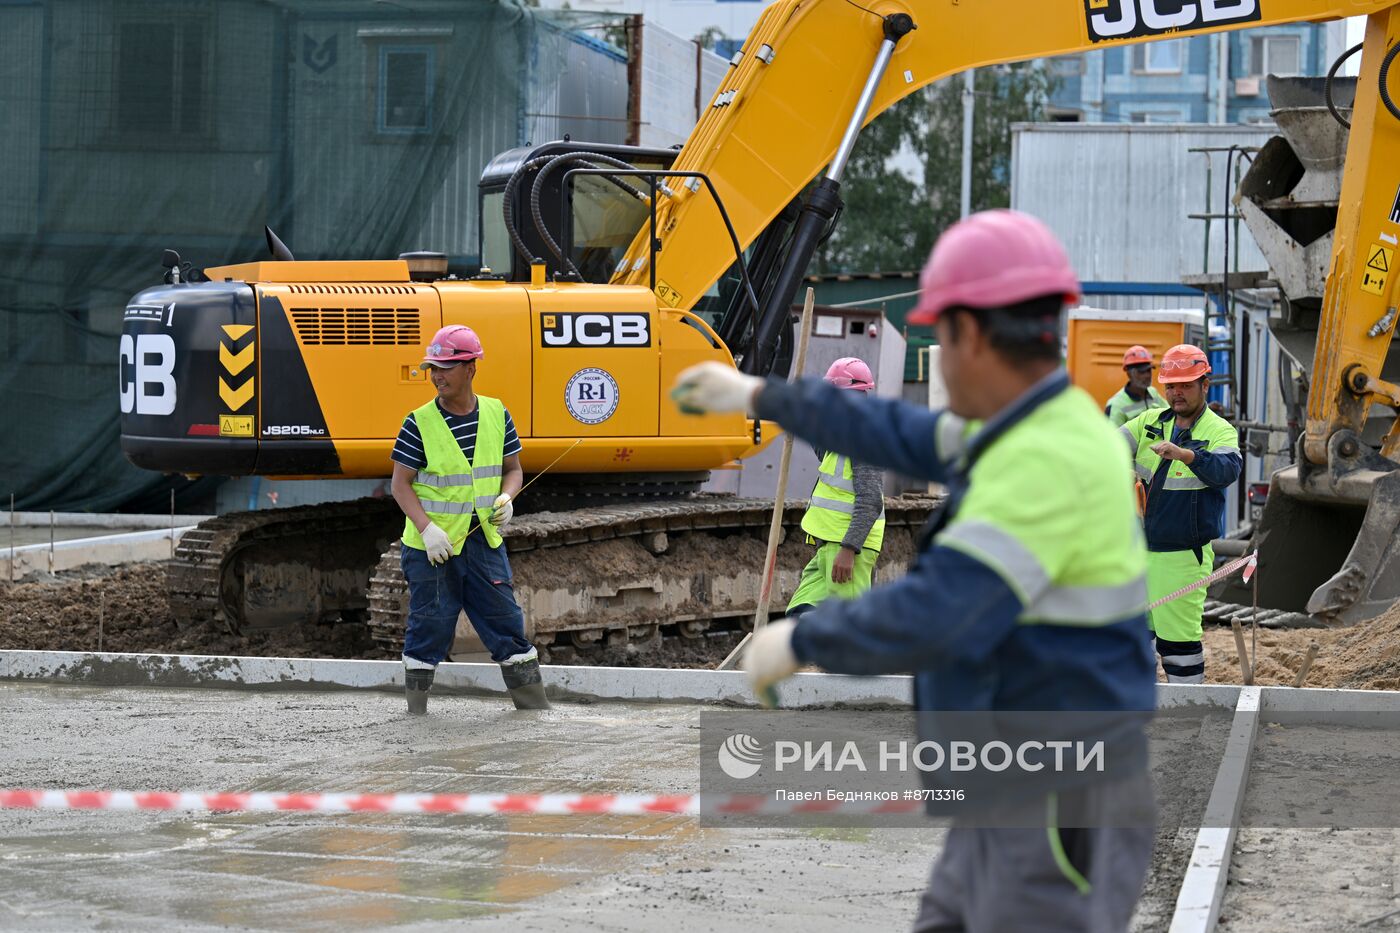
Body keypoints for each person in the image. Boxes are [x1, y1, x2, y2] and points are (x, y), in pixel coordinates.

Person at [672, 210, 1156, 931]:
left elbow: (939, 612)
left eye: (940, 336)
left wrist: (804, 640)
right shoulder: (1027, 423)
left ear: (969, 333)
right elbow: (894, 429)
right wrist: (763, 396)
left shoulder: (1048, 459)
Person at [389, 324, 549, 714]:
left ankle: (533, 711)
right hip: (434, 549)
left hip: (482, 543)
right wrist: (427, 530)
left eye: (445, 367)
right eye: (433, 368)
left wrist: (507, 497)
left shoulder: (496, 413)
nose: (436, 375)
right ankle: (416, 714)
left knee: (507, 625)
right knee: (429, 628)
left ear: (471, 368)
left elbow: (513, 469)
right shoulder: (419, 422)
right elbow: (400, 485)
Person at [1119, 345, 1241, 685]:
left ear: (1205, 384)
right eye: (1171, 385)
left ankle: (1187, 716)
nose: (1176, 392)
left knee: (1178, 646)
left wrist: (1187, 456)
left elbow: (1227, 470)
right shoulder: (1150, 422)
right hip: (1138, 554)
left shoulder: (1219, 431)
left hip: (1183, 557)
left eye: (1186, 384)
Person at [786, 357, 886, 617]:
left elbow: (871, 500)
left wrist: (848, 549)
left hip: (848, 547)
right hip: (827, 545)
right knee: (799, 615)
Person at [1104, 346, 1168, 426]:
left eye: (1149, 370)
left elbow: (1170, 411)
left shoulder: (1153, 392)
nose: (1147, 375)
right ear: (1129, 373)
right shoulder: (1116, 405)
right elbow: (1112, 436)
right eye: (1142, 372)